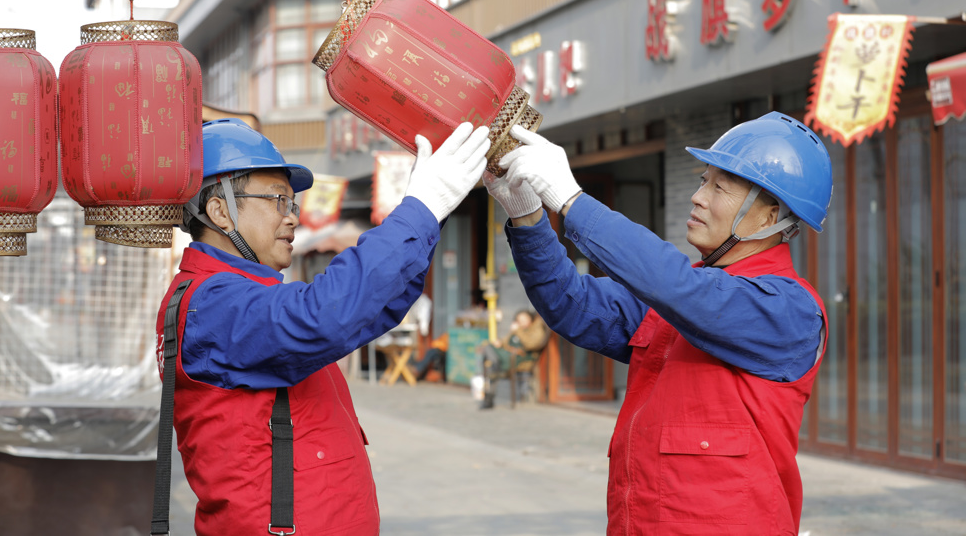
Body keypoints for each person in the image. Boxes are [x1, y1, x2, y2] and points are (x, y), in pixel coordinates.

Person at [483, 111, 832, 535]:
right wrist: (527, 214)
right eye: (703, 181)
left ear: (769, 216)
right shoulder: (683, 295)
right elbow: (572, 304)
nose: (698, 197)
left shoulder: (790, 310)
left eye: (718, 187)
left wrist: (572, 202)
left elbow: (683, 290)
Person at [155, 118, 489, 536]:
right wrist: (419, 211)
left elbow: (371, 308)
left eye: (291, 203)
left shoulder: (229, 295)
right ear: (220, 210)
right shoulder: (211, 302)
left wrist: (429, 218)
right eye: (277, 200)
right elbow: (324, 316)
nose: (292, 218)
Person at [474, 309, 549, 408]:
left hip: (520, 359)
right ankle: (489, 395)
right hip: (508, 357)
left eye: (524, 319)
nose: (521, 322)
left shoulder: (535, 329)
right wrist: (499, 342)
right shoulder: (517, 330)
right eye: (519, 320)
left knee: (492, 364)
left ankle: (489, 397)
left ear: (530, 319)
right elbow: (506, 342)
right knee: (488, 348)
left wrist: (517, 331)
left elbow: (531, 344)